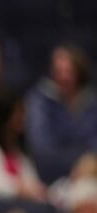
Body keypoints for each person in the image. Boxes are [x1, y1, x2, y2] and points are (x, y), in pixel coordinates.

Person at [25, 44, 97, 183]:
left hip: (92, 175)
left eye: (69, 71)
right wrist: (81, 163)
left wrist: (91, 162)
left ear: (79, 72)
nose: (64, 77)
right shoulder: (38, 101)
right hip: (51, 179)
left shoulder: (92, 101)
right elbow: (41, 150)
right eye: (59, 72)